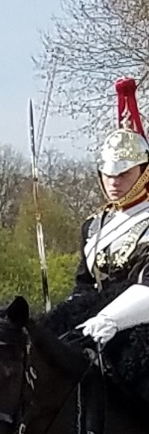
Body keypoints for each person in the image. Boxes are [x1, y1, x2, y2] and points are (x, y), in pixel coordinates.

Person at [74, 78, 149, 337]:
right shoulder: (93, 225)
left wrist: (111, 319)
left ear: (144, 173)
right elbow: (84, 284)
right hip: (96, 324)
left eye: (124, 174)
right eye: (108, 175)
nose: (114, 182)